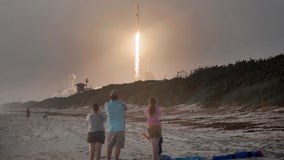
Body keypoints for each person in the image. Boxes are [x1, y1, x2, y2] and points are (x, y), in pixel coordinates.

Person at [105, 90, 127, 160]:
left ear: (110, 97)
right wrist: (119, 101)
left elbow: (107, 103)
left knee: (109, 146)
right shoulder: (121, 105)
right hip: (120, 128)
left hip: (110, 129)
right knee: (117, 146)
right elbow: (126, 108)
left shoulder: (106, 105)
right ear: (118, 97)